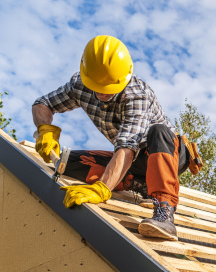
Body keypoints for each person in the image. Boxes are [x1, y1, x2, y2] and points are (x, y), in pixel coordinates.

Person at [32, 35, 182, 241]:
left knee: (159, 131)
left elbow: (127, 147)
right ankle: (140, 184)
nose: (102, 94)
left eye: (109, 88)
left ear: (125, 76)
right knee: (66, 162)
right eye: (98, 87)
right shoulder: (79, 84)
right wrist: (45, 129)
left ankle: (165, 212)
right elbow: (42, 104)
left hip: (167, 152)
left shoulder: (137, 95)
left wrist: (102, 189)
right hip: (135, 161)